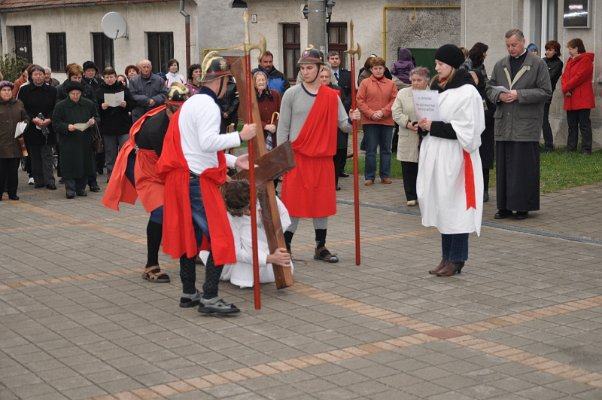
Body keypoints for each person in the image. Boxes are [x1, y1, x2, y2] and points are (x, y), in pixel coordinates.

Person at [156, 52, 257, 315]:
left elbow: (195, 148)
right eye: (227, 82)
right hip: (197, 183)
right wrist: (241, 136)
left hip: (186, 179)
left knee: (189, 237)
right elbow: (207, 142)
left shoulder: (192, 102)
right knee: (220, 238)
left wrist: (234, 161)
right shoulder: (208, 106)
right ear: (220, 81)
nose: (228, 88)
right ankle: (210, 297)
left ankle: (189, 292)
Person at [277, 48, 360, 263]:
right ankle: (286, 246)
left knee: (321, 203)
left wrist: (354, 119)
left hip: (323, 159)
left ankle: (320, 247)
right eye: (302, 68)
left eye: (309, 67)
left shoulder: (331, 96)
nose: (305, 72)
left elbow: (344, 125)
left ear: (320, 68)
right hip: (297, 158)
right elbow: (282, 129)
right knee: (293, 203)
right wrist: (282, 160)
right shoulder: (291, 94)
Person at [103, 83, 189, 284]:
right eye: (175, 110)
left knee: (187, 203)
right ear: (167, 107)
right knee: (160, 210)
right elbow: (170, 162)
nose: (179, 115)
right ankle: (151, 265)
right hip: (144, 166)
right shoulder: (158, 129)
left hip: (163, 164)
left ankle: (189, 250)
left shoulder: (182, 119)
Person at [416, 44, 485, 277]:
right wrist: (423, 125)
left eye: (440, 64)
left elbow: (469, 130)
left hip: (456, 157)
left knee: (457, 207)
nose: (436, 68)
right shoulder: (438, 87)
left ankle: (457, 259)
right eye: (436, 63)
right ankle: (446, 257)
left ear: (452, 65)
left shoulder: (468, 92)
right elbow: (432, 119)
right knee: (443, 206)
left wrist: (433, 126)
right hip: (437, 154)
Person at [486, 29, 551, 220]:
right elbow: (489, 88)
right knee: (504, 167)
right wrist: (499, 95)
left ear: (523, 42)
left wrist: (519, 95)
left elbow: (546, 92)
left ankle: (522, 207)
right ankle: (504, 207)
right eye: (507, 45)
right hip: (504, 123)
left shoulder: (538, 64)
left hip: (525, 125)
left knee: (523, 167)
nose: (511, 48)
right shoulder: (500, 64)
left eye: (514, 45)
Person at [219, 180, 293, 288]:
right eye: (243, 211)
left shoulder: (267, 196)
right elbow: (236, 252)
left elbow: (285, 219)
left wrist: (266, 223)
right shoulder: (229, 217)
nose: (247, 213)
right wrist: (269, 258)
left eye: (248, 208)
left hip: (267, 243)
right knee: (247, 231)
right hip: (247, 257)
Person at [56, 63, 100, 191]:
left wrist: (93, 121)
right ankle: (70, 187)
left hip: (85, 136)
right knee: (69, 162)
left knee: (85, 161)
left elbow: (96, 115)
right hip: (68, 137)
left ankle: (84, 186)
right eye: (74, 77)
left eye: (79, 77)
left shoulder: (88, 99)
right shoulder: (61, 99)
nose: (75, 95)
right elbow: (56, 121)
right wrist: (66, 127)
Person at [357, 56, 398, 186]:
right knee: (371, 150)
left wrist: (383, 112)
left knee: (386, 150)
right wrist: (371, 113)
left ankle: (385, 175)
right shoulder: (365, 83)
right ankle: (369, 176)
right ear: (371, 69)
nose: (378, 71)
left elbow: (394, 100)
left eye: (380, 68)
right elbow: (360, 100)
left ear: (384, 69)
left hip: (387, 121)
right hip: (370, 121)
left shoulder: (391, 84)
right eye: (375, 68)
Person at [392, 67, 429, 206]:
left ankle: (424, 195)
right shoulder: (403, 93)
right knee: (408, 167)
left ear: (426, 80)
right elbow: (396, 112)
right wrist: (408, 123)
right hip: (408, 133)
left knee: (425, 167)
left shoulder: (432, 94)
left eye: (419, 80)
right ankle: (411, 195)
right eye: (413, 80)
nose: (416, 83)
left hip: (427, 135)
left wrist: (426, 124)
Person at [18, 64, 58, 190]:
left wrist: (49, 119)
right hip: (32, 126)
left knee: (47, 154)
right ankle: (38, 180)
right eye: (35, 74)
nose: (38, 77)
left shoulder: (52, 90)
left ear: (44, 76)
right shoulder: (24, 90)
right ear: (31, 76)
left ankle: (49, 181)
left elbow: (56, 107)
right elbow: (22, 108)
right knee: (34, 155)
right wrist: (32, 118)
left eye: (41, 74)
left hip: (48, 125)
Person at [465, 42, 495, 203]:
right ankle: (472, 188)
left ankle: (483, 190)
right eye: (485, 53)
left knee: (484, 157)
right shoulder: (467, 70)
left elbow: (489, 102)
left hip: (485, 123)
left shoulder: (481, 72)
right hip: (471, 123)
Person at [96, 67, 134, 180]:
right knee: (110, 152)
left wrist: (126, 105)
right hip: (108, 126)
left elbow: (133, 104)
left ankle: (125, 174)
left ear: (115, 77)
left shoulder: (123, 89)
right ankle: (111, 175)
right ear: (103, 78)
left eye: (111, 77)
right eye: (107, 77)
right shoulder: (99, 90)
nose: (109, 79)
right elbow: (95, 108)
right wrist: (101, 107)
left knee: (125, 151)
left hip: (123, 125)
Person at [561, 38, 594, 155]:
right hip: (570, 97)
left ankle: (586, 149)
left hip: (582, 98)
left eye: (571, 48)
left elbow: (579, 77)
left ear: (577, 48)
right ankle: (571, 148)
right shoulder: (570, 60)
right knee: (572, 125)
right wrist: (565, 88)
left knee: (584, 125)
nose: (569, 51)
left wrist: (566, 88)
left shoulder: (586, 60)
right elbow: (564, 76)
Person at [318, 64, 346, 191]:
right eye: (322, 77)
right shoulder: (314, 91)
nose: (324, 79)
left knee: (336, 157)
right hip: (320, 130)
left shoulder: (337, 90)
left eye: (326, 77)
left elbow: (343, 107)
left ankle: (334, 182)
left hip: (336, 128)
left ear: (330, 78)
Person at [0, 81, 28, 201]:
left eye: (9, 90)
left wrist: (24, 124)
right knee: (1, 172)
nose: (7, 92)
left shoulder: (18, 103)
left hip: (15, 144)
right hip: (1, 144)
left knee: (13, 171)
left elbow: (26, 118)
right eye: (4, 90)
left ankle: (12, 193)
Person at [328, 50, 352, 179]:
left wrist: (345, 105)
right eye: (332, 58)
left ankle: (341, 168)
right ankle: (331, 170)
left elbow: (351, 93)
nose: (334, 60)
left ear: (340, 60)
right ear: (328, 60)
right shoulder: (324, 74)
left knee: (342, 142)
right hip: (329, 112)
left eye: (336, 58)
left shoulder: (347, 74)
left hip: (344, 110)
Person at [542, 40, 563, 151]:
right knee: (535, 119)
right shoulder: (542, 61)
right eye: (546, 49)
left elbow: (549, 78)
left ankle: (549, 145)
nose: (547, 52)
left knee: (543, 119)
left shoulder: (558, 63)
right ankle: (534, 144)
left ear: (556, 51)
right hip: (535, 93)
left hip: (546, 95)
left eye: (550, 50)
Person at [254, 70, 281, 151]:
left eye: (263, 80)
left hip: (275, 133)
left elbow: (281, 112)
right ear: (254, 83)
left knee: (275, 155)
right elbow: (251, 117)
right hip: (259, 134)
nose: (261, 82)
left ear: (267, 81)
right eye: (259, 80)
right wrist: (265, 126)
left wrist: (275, 125)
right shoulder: (252, 98)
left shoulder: (275, 94)